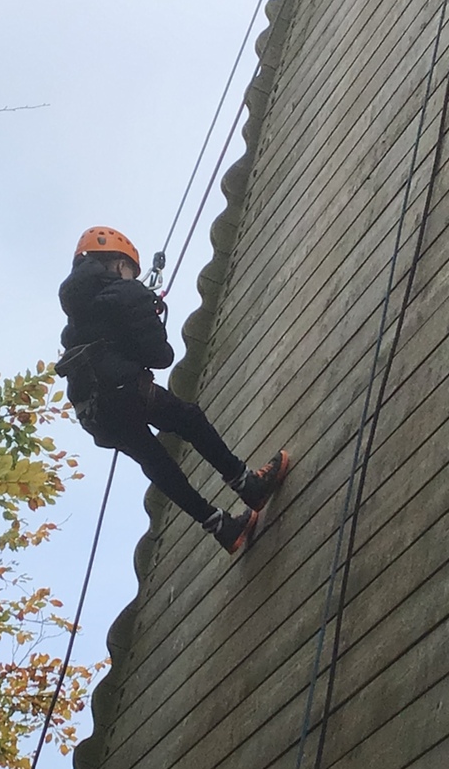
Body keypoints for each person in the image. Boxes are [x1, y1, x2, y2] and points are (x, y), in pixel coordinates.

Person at [56, 227, 290, 555]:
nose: (132, 277)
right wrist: (148, 316)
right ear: (118, 265)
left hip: (94, 415)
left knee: (157, 464)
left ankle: (222, 527)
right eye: (130, 270)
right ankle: (247, 483)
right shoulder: (127, 292)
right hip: (125, 391)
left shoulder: (74, 320)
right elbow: (161, 356)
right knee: (188, 419)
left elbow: (109, 350)